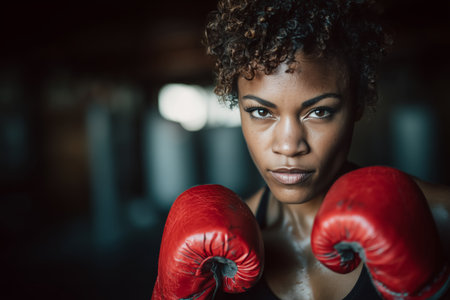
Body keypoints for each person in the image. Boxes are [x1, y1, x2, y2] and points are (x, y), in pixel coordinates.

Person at [201, 0, 450, 299]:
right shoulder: (214, 248)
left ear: (357, 105)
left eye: (319, 112)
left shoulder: (440, 215)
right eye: (260, 112)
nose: (289, 146)